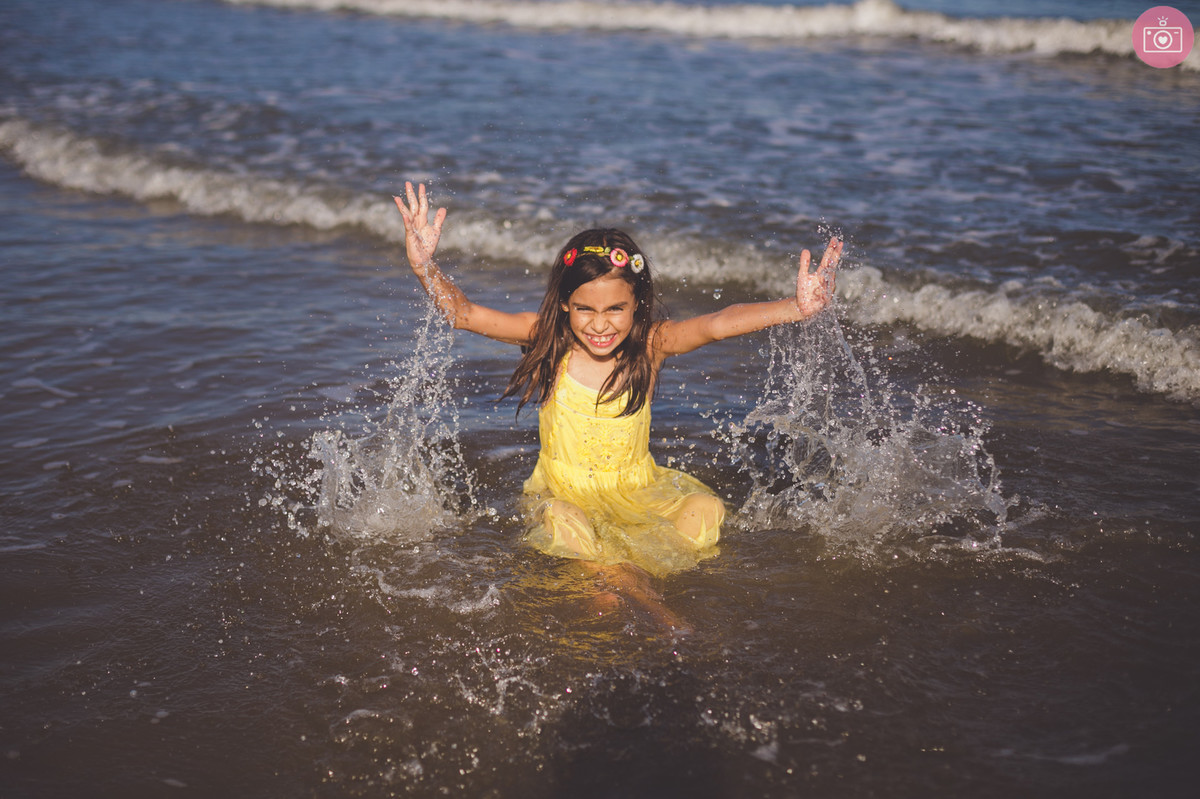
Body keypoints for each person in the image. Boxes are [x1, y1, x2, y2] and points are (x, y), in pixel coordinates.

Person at [393, 182, 841, 584]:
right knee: (570, 527)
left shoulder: (651, 345)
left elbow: (717, 325)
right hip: (560, 493)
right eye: (585, 308)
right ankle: (623, 589)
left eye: (615, 310)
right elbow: (464, 314)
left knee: (705, 510)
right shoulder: (547, 339)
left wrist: (793, 309)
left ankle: (631, 582)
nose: (600, 325)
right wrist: (424, 267)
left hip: (637, 490)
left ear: (636, 304)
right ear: (565, 304)